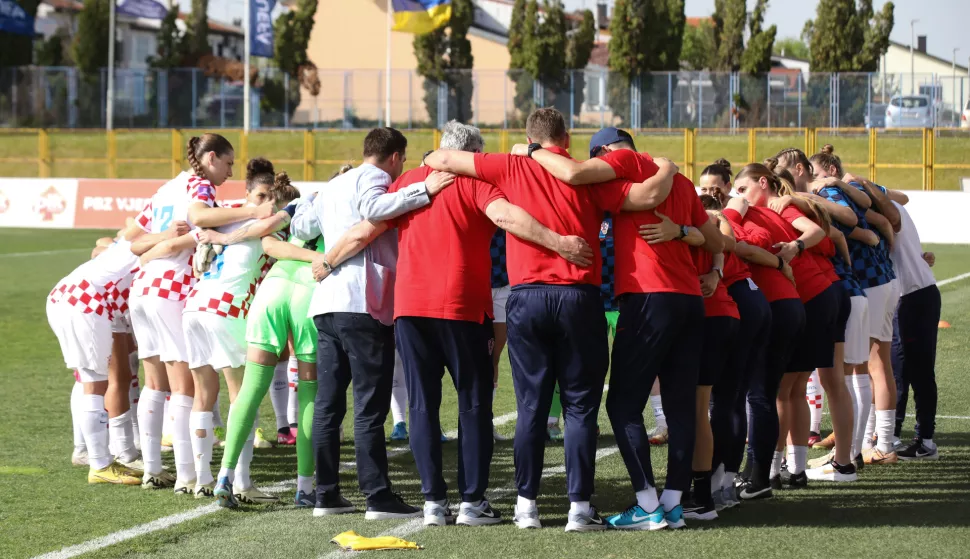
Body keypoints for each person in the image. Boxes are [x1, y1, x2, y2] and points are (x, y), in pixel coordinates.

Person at [425, 112, 682, 532]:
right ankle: (579, 508)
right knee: (580, 407)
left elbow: (441, 158)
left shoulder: (511, 166)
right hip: (580, 297)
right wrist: (668, 172)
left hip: (527, 297)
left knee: (531, 406)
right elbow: (643, 198)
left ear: (529, 137)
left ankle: (526, 506)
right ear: (566, 137)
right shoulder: (589, 175)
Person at [495, 124, 721, 530]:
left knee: (620, 405)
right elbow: (716, 241)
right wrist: (682, 230)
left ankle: (648, 503)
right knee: (680, 404)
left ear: (607, 154)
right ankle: (673, 502)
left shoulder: (619, 169)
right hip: (689, 300)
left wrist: (530, 151)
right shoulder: (682, 183)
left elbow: (577, 175)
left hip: (649, 296)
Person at [390, 120, 595, 528]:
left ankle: (433, 504)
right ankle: (471, 502)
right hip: (461, 305)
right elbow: (507, 217)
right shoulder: (474, 183)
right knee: (473, 404)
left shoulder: (408, 181)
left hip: (409, 306)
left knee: (421, 405)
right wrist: (559, 243)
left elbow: (371, 221)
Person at [290, 127, 451, 520]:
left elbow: (300, 228)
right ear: (395, 157)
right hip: (362, 302)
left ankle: (326, 494)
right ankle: (377, 497)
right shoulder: (375, 177)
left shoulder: (334, 184)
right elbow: (374, 209)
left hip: (327, 303)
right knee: (369, 406)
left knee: (329, 405)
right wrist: (423, 190)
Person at [139, 162, 299, 501]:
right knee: (243, 396)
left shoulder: (229, 218)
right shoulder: (271, 228)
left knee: (203, 395)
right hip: (226, 309)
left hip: (195, 306)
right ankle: (242, 483)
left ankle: (201, 480)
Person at [48, 220, 182, 484]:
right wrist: (168, 235)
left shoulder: (140, 249)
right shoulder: (143, 248)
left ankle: (116, 453)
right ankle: (99, 463)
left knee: (112, 378)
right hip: (86, 302)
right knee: (95, 383)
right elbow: (117, 243)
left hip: (87, 302)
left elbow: (111, 244)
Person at [811, 145, 902, 466]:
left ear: (830, 171)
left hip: (870, 281)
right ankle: (870, 443)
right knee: (875, 366)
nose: (816, 182)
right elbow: (881, 220)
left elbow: (876, 220)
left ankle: (869, 446)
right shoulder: (847, 190)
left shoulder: (835, 191)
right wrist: (881, 240)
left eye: (818, 175)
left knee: (865, 367)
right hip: (882, 279)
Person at [763, 164, 853, 487]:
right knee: (810, 386)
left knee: (784, 390)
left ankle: (771, 471)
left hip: (814, 296)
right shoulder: (801, 208)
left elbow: (822, 235)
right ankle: (805, 467)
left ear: (767, 185)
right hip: (832, 291)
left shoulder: (781, 211)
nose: (738, 195)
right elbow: (833, 237)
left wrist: (792, 248)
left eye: (743, 189)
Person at [684, 209, 740, 520]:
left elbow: (721, 242)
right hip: (726, 313)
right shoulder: (710, 230)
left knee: (696, 408)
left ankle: (700, 496)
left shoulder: (688, 227)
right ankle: (717, 487)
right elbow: (721, 243)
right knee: (720, 405)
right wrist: (717, 270)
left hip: (707, 315)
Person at [888, 200, 940, 460]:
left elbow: (899, 198)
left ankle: (925, 441)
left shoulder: (884, 207)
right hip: (905, 298)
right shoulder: (883, 206)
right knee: (898, 369)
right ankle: (892, 434)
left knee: (919, 371)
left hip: (915, 296)